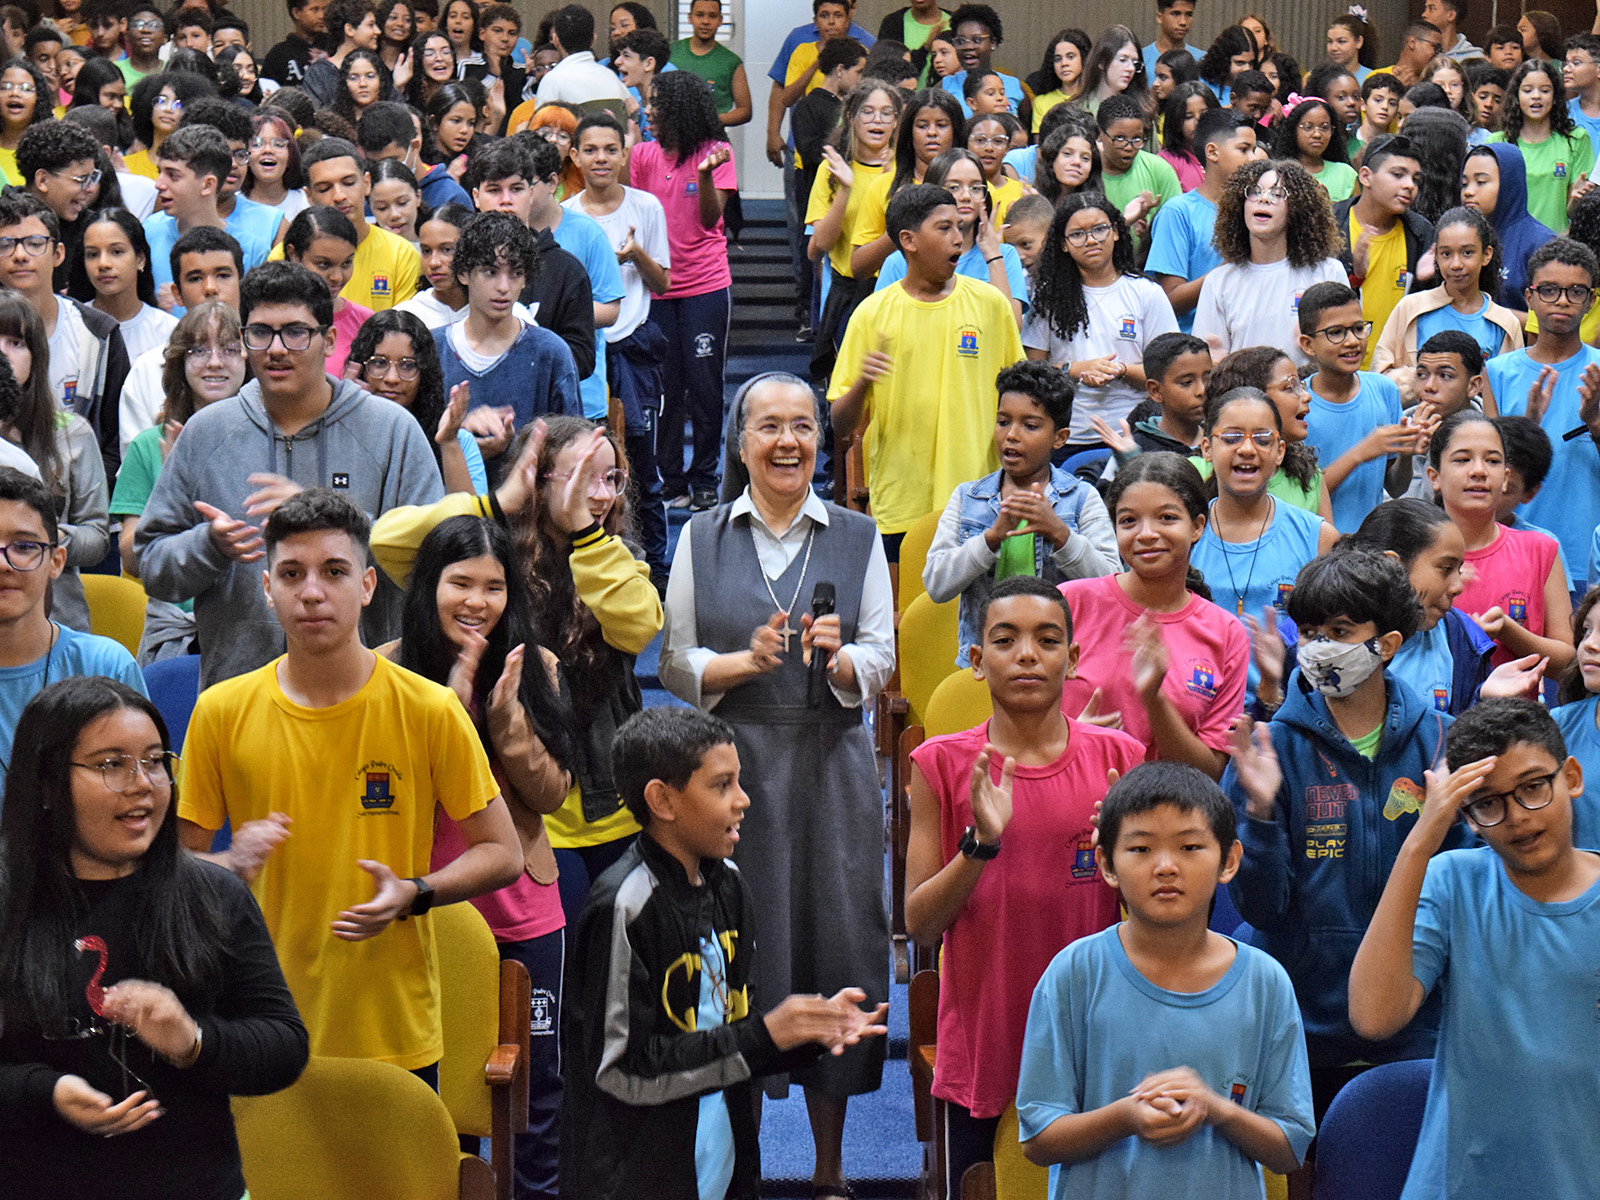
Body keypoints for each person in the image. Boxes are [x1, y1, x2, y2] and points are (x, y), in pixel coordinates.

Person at [177, 487, 521, 1075]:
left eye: (334, 571)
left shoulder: (429, 708)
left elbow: (503, 853)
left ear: (366, 586)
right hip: (259, 1024)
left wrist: (415, 892)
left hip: (390, 1027)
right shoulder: (220, 711)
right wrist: (231, 864)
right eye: (291, 573)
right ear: (268, 590)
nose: (312, 591)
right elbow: (172, 864)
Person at [658, 372, 894, 1198]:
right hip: (731, 776)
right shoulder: (700, 535)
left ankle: (831, 1172)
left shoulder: (859, 534)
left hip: (831, 766)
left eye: (802, 427)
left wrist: (841, 662)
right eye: (768, 427)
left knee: (838, 950)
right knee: (741, 961)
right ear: (740, 442)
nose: (787, 441)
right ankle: (746, 1170)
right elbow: (674, 662)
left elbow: (883, 654)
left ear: (820, 445)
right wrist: (743, 662)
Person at [558, 705, 887, 1199]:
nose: (744, 800)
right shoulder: (623, 906)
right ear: (663, 800)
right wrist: (763, 1037)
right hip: (638, 1173)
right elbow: (619, 1071)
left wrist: (805, 1032)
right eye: (722, 785)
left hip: (723, 1159)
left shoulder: (730, 886)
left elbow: (733, 1033)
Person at [0, 676, 308, 1195]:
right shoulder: (10, 899)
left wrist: (193, 1041)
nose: (143, 783)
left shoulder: (213, 894)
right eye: (111, 764)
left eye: (155, 760)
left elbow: (283, 1047)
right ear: (49, 784)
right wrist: (45, 1092)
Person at [372, 417, 664, 922]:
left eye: (610, 478)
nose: (598, 494)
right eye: (579, 476)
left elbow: (639, 625)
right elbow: (388, 543)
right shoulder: (493, 557)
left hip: (606, 805)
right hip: (519, 810)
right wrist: (499, 503)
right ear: (538, 478)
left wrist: (586, 535)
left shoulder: (618, 556)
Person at [906, 576, 1144, 1192]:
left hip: (1098, 1033)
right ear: (978, 662)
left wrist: (1126, 856)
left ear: (1073, 658)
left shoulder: (1121, 760)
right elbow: (919, 923)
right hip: (987, 1038)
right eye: (1006, 640)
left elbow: (1158, 913)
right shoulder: (940, 764)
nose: (1028, 654)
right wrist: (979, 845)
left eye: (1047, 639)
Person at [1224, 546, 1474, 1118]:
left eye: (1340, 631)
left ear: (1385, 644)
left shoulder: (1443, 743)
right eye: (1310, 632)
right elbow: (1261, 910)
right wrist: (1258, 817)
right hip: (1305, 1030)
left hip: (1419, 1030)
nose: (1319, 649)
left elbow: (1462, 895)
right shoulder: (1272, 749)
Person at [136, 260, 444, 688]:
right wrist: (208, 545)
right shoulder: (206, 433)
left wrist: (326, 521)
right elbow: (151, 563)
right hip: (241, 695)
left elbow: (434, 561)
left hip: (368, 694)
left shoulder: (392, 430)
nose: (277, 349)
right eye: (261, 332)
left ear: (330, 339)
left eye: (296, 332)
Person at [386, 513, 576, 1197]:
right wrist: (446, 716)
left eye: (493, 587)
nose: (476, 601)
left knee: (537, 1091)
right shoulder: (386, 670)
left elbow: (552, 793)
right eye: (459, 583)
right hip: (425, 907)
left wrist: (503, 721)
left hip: (522, 910)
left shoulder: (536, 666)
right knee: (436, 1089)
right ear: (427, 588)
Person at [1016, 761, 1314, 1195]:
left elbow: (1290, 1148)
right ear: (1107, 864)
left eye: (1190, 847)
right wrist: (1126, 1116)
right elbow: (1039, 1138)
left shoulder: (1265, 982)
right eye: (1140, 849)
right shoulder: (1075, 973)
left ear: (1229, 860)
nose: (1166, 867)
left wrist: (1218, 1109)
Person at [1349, 697, 1600, 1196]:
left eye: (1533, 787)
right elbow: (1375, 1016)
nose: (1518, 817)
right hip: (1459, 1183)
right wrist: (1420, 841)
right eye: (1488, 802)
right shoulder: (1452, 881)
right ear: (1466, 817)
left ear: (1570, 776)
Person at [827, 183, 1023, 557]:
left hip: (979, 499)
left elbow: (1018, 396)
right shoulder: (871, 314)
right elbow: (839, 425)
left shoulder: (991, 305)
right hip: (902, 501)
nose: (957, 237)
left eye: (959, 226)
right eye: (944, 228)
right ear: (909, 240)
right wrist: (862, 383)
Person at [1058, 453, 1248, 777]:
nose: (1146, 534)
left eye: (1166, 518)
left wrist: (1153, 698)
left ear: (1197, 527)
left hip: (1169, 816)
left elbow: (1210, 772)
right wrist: (1072, 739)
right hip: (1069, 807)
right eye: (1129, 521)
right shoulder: (1069, 602)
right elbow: (1020, 724)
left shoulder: (1226, 632)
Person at [924, 361, 1116, 664]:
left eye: (1030, 425)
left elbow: (1109, 587)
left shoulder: (1081, 499)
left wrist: (1059, 534)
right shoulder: (967, 497)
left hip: (1061, 669)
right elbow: (936, 584)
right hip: (983, 667)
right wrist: (992, 538)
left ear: (1060, 437)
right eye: (1003, 422)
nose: (1012, 435)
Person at [565, 112, 671, 584]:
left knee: (643, 462)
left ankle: (659, 574)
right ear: (575, 157)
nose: (601, 158)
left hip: (636, 345)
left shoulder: (646, 207)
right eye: (590, 150)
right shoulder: (568, 215)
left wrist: (634, 257)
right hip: (588, 350)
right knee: (592, 462)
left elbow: (663, 283)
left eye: (610, 149)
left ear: (625, 153)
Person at [110, 300, 244, 663]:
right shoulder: (148, 445)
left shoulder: (269, 439)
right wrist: (174, 482)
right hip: (174, 629)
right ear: (180, 361)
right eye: (200, 350)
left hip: (248, 621)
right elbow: (132, 558)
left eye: (231, 349)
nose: (215, 362)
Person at [630, 69, 735, 511]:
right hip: (657, 288)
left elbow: (712, 220)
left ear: (681, 109)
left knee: (704, 386)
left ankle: (705, 478)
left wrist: (707, 177)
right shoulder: (641, 156)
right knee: (665, 389)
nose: (649, 111)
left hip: (705, 286)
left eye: (657, 104)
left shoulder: (717, 152)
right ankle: (670, 479)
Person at [1193, 386, 1337, 706]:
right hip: (1197, 714)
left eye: (1262, 439)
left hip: (1291, 715)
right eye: (1231, 438)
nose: (1247, 449)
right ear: (1206, 447)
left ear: (1280, 451)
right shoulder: (1186, 535)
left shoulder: (1317, 537)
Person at [0, 465, 144, 775]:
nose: (4, 564)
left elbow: (139, 792)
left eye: (23, 547)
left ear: (56, 562)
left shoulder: (105, 668)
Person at [1024, 194, 1177, 456]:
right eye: (1078, 234)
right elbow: (1033, 371)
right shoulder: (1049, 297)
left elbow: (1169, 373)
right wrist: (1076, 369)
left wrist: (1120, 370)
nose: (1091, 240)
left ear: (1116, 232)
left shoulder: (1145, 292)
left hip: (1135, 433)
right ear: (1063, 244)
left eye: (1099, 229)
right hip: (1068, 436)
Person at [1486, 237, 1600, 573]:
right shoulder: (1498, 372)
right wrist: (1528, 427)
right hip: (1516, 551)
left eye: (1575, 291)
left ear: (1591, 300)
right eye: (1549, 290)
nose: (1562, 301)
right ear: (1530, 297)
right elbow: (1492, 476)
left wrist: (1594, 423)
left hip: (1587, 556)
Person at [1430, 410, 1572, 675]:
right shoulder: (1415, 552)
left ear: (1505, 478)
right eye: (1462, 459)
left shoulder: (1540, 549)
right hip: (1436, 715)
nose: (1479, 471)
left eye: (1492, 461)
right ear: (1434, 476)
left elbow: (1567, 662)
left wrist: (1508, 631)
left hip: (1517, 715)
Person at [0, 291, 109, 636]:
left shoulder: (72, 433)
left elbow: (97, 537)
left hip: (59, 619)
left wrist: (41, 538)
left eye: (16, 342)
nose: (3, 354)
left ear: (37, 355)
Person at [0, 193, 127, 484]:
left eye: (34, 243)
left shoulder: (98, 333)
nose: (20, 255)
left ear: (58, 254)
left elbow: (113, 440)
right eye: (5, 244)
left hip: (75, 496)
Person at [436, 211, 581, 437]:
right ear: (464, 273)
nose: (503, 287)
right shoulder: (433, 349)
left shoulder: (551, 353)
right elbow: (415, 450)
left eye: (516, 273)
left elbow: (571, 449)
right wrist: (459, 436)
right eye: (490, 272)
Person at [1193, 159, 1345, 369]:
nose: (1263, 199)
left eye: (1277, 194)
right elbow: (1211, 360)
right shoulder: (1218, 282)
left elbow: (1344, 346)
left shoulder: (1328, 272)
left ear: (1297, 208)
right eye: (1254, 192)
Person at [1298, 281, 1413, 531]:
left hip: (1369, 546)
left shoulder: (1384, 389)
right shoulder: (1296, 405)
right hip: (1318, 549)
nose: (1352, 341)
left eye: (1358, 328)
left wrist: (1406, 452)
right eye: (1336, 333)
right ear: (1308, 344)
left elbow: (1395, 487)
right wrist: (1361, 453)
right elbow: (1298, 499)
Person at [116, 225, 242, 452]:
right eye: (195, 278)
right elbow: (138, 462)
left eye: (223, 275)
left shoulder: (265, 358)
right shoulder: (147, 371)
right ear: (177, 294)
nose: (210, 288)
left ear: (241, 284)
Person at [805, 77, 903, 370]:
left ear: (897, 121)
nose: (877, 120)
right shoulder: (831, 168)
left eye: (887, 113)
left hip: (895, 289)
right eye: (867, 111)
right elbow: (819, 245)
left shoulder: (906, 169)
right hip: (848, 290)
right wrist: (845, 189)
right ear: (851, 117)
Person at [872, 148, 1025, 327]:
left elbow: (1012, 328)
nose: (966, 196)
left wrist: (993, 257)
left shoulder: (1004, 255)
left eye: (976, 188)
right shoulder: (900, 261)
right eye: (953, 187)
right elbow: (880, 328)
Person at [1371, 206, 1521, 384]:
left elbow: (1511, 389)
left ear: (1486, 255)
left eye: (1467, 253)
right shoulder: (1410, 308)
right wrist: (1421, 380)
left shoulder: (1505, 324)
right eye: (1446, 254)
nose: (1456, 264)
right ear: (1436, 256)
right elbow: (1379, 379)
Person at [1147, 109, 1261, 335]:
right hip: (1197, 346)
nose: (1253, 159)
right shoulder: (1178, 212)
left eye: (1254, 150)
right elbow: (1169, 300)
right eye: (1243, 149)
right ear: (1212, 152)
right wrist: (1227, 266)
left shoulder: (1259, 209)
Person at [282, 137, 421, 310]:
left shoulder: (401, 254)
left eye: (348, 183)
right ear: (309, 196)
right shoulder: (284, 256)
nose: (339, 195)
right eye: (325, 188)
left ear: (366, 183)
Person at [1330, 135, 1430, 370]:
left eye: (1416, 179)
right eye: (1398, 175)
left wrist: (1430, 281)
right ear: (1366, 176)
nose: (1409, 185)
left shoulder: (1421, 233)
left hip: (1395, 377)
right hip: (1337, 372)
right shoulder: (1329, 224)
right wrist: (1353, 274)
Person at [1490, 58, 1594, 236]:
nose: (1536, 96)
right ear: (1516, 96)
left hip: (1557, 245)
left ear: (1555, 97)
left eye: (1545, 90)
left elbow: (1576, 212)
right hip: (1508, 244)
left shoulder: (1575, 140)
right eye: (1528, 90)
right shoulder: (1497, 143)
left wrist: (1576, 201)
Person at [142, 124, 238, 304]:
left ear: (208, 185)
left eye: (173, 175)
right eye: (159, 172)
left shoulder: (250, 248)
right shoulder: (148, 233)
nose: (159, 184)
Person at [1461, 144, 1555, 313]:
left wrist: (1487, 313)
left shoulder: (1542, 242)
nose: (1469, 191)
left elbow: (1552, 321)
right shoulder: (1462, 236)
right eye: (1464, 183)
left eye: (1481, 182)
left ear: (1508, 184)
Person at [14, 119, 101, 299]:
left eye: (92, 178)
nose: (91, 188)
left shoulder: (93, 229)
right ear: (42, 181)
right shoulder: (4, 222)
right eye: (81, 179)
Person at [281, 204, 370, 378]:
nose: (337, 277)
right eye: (324, 264)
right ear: (294, 256)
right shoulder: (268, 317)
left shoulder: (366, 322)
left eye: (346, 264)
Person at [83, 208, 176, 365]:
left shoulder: (168, 331)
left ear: (140, 259)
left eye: (117, 252)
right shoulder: (71, 326)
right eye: (93, 254)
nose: (103, 263)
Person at [1096, 95, 1181, 252]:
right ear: (1100, 134)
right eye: (1119, 138)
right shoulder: (1087, 174)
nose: (1129, 147)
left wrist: (1148, 236)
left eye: (1136, 139)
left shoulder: (1160, 170)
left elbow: (1176, 232)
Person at [357, 99, 472, 212]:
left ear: (414, 146)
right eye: (374, 164)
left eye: (391, 161)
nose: (384, 170)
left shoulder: (450, 198)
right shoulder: (367, 201)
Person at [534, 3, 627, 118]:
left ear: (555, 40)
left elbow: (541, 128)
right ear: (593, 39)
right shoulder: (614, 79)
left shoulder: (552, 81)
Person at [670, 0, 750, 128]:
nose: (705, 21)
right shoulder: (670, 53)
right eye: (700, 15)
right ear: (690, 18)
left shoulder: (731, 62)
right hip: (671, 138)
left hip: (712, 140)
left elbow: (745, 110)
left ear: (720, 20)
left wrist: (711, 120)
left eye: (712, 16)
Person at [301, 0, 381, 110]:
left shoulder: (378, 67)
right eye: (371, 25)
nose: (377, 31)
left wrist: (398, 87)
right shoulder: (318, 74)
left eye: (370, 76)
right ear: (349, 29)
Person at [243, 111, 309, 223]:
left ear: (290, 156)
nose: (268, 150)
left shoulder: (305, 203)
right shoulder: (231, 204)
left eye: (278, 144)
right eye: (257, 144)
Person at [1156, 80, 1218, 193]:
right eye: (1188, 117)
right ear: (1177, 123)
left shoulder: (1227, 152)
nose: (1198, 122)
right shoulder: (1166, 162)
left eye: (1204, 114)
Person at [1027, 28, 1089, 134]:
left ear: (1084, 58)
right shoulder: (1042, 102)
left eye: (1070, 57)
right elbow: (1040, 147)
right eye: (1058, 59)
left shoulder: (1097, 98)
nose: (1064, 63)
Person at [263, 0, 331, 88]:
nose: (322, 16)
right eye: (314, 10)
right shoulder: (279, 54)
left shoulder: (335, 46)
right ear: (296, 13)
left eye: (325, 9)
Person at [1142, 0, 1199, 79]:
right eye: (1175, 14)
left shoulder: (1203, 61)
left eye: (1189, 15)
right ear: (1159, 17)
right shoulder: (1141, 60)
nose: (1183, 22)